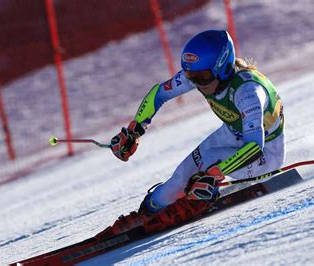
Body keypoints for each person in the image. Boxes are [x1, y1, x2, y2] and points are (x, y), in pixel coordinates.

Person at [110, 30, 285, 221]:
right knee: (177, 181)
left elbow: (254, 147)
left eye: (202, 77)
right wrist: (135, 129)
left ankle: (198, 201)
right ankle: (144, 216)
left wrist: (215, 174)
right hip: (233, 134)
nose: (197, 83)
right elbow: (159, 93)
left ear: (223, 67)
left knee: (208, 161)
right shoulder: (202, 74)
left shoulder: (247, 92)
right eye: (191, 75)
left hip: (266, 154)